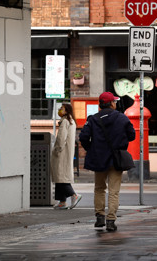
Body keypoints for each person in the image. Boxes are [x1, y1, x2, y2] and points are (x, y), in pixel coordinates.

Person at [79, 92, 135, 232]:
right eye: (114, 102)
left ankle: (99, 217)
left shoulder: (93, 119)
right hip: (116, 159)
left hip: (99, 158)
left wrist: (91, 149)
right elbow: (132, 135)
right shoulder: (122, 118)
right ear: (111, 103)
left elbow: (84, 137)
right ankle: (111, 220)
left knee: (99, 188)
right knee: (113, 191)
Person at [51, 103, 82, 209]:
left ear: (67, 110)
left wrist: (56, 150)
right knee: (60, 176)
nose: (59, 110)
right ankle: (62, 201)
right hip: (67, 152)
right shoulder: (71, 121)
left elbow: (61, 139)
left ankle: (74, 195)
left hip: (61, 153)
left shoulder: (65, 121)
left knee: (62, 177)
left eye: (62, 108)